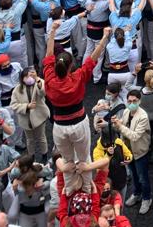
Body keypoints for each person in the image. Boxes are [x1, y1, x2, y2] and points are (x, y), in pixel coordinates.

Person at [43, 23, 110, 194]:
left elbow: (49, 56)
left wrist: (52, 33)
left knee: (67, 160)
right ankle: (87, 188)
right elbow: (92, 61)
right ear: (70, 65)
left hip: (59, 126)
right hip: (78, 123)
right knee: (84, 157)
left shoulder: (50, 78)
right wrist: (103, 39)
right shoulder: (77, 77)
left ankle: (70, 189)